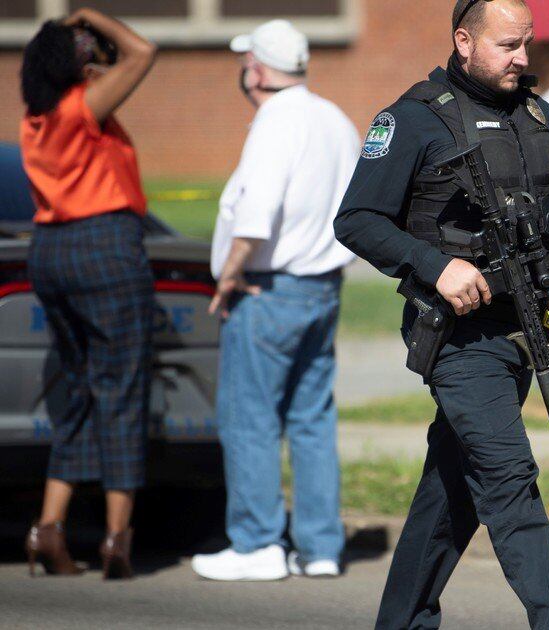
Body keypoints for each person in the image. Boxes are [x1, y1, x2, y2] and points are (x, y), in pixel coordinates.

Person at [332, 1, 549, 627]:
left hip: (522, 333)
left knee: (451, 493)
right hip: (458, 339)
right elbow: (356, 220)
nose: (523, 59)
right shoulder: (413, 120)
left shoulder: (541, 116)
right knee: (509, 479)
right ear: (465, 41)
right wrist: (434, 266)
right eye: (508, 45)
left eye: (528, 44)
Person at [190, 19, 360, 581]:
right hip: (322, 285)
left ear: (257, 70)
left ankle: (258, 543)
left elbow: (255, 214)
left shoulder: (274, 120)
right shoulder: (334, 118)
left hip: (268, 286)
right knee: (311, 416)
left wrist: (227, 277)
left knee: (249, 418)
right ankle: (321, 547)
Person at [19, 8, 156, 579]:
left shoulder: (37, 119)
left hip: (50, 251)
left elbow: (109, 67)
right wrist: (92, 14)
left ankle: (47, 530)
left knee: (77, 388)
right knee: (120, 388)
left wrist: (79, 46)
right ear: (71, 64)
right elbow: (143, 53)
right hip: (104, 245)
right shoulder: (82, 111)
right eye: (81, 46)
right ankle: (115, 540)